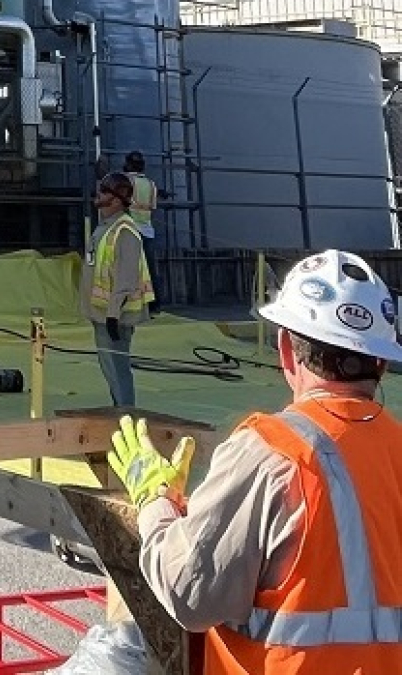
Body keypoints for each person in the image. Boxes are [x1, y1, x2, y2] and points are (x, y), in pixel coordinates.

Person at [108, 249, 402, 673]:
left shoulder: (269, 452)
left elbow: (190, 593)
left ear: (286, 349)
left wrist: (153, 497)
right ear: (380, 360)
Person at [79, 171, 154, 406]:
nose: (97, 196)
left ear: (115, 199)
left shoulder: (125, 232)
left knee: (117, 369)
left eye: (102, 192)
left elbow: (127, 278)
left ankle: (126, 412)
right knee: (109, 367)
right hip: (101, 314)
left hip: (115, 317)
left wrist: (112, 314)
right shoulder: (106, 228)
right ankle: (120, 409)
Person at [123, 150, 163, 313]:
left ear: (130, 164)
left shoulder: (126, 182)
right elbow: (152, 207)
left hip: (130, 230)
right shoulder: (151, 184)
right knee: (150, 270)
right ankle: (154, 305)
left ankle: (130, 304)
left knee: (127, 269)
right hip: (147, 230)